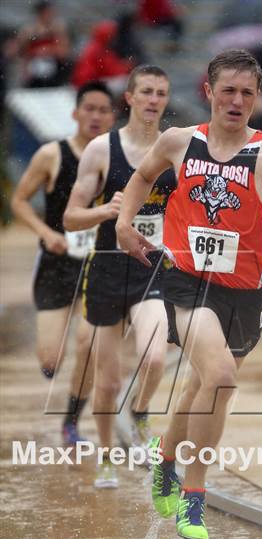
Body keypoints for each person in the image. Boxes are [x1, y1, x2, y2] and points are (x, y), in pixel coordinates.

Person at [116, 49, 262, 539]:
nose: (237, 100)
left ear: (257, 97)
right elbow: (143, 177)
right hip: (188, 281)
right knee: (221, 379)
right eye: (228, 90)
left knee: (200, 387)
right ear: (208, 92)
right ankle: (194, 496)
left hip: (247, 293)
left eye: (247, 92)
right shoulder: (180, 141)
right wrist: (124, 223)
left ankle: (165, 458)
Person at [64, 65, 176, 489]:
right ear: (128, 98)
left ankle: (142, 410)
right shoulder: (100, 150)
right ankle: (108, 456)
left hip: (152, 267)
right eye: (145, 91)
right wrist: (105, 211)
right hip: (108, 267)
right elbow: (71, 217)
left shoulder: (177, 148)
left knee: (154, 357)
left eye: (160, 93)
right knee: (107, 383)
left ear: (166, 100)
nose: (153, 100)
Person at [11, 81, 115, 444]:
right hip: (57, 261)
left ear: (113, 116)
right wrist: (45, 233)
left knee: (88, 343)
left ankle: (71, 421)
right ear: (75, 113)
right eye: (90, 109)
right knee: (51, 361)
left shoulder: (119, 155)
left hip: (98, 263)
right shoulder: (51, 155)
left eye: (104, 110)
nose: (96, 116)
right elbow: (20, 201)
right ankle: (56, 367)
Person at [16, 0, 72, 88]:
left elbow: (64, 52)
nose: (51, 15)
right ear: (40, 13)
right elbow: (22, 52)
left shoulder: (58, 28)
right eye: (48, 12)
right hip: (34, 73)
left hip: (55, 72)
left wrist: (48, 50)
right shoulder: (29, 29)